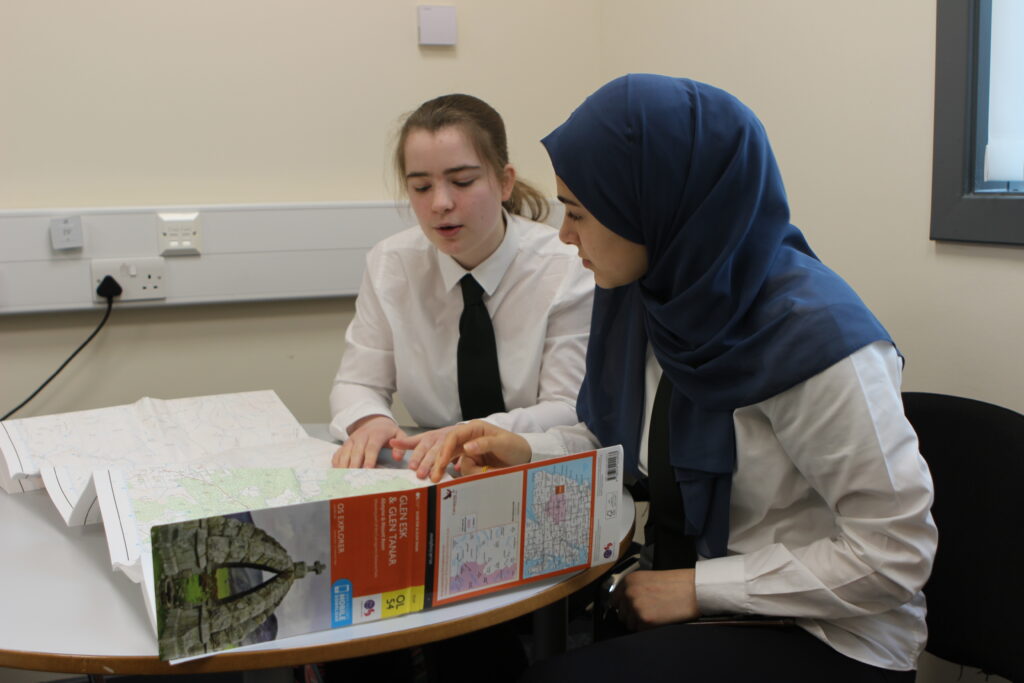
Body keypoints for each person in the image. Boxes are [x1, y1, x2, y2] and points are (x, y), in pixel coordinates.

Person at [430, 74, 937, 682]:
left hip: (828, 633)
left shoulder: (817, 340)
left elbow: (893, 557)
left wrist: (701, 588)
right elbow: (621, 441)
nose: (565, 237)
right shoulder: (652, 294)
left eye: (579, 213)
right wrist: (524, 449)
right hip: (689, 595)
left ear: (656, 206)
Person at [329, 93, 594, 476]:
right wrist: (369, 421)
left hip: (534, 470)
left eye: (463, 181)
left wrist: (475, 435)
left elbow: (567, 406)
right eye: (421, 187)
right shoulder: (392, 264)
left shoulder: (566, 266)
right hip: (436, 472)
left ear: (504, 182)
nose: (440, 203)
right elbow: (356, 380)